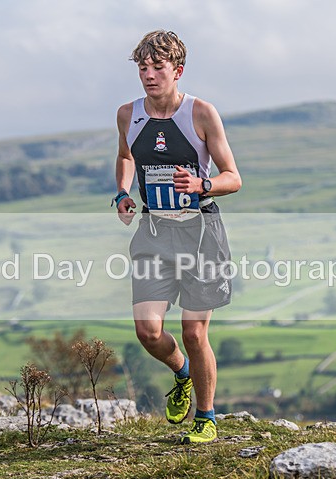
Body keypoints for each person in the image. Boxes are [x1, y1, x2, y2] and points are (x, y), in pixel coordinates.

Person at [113, 30, 242, 443]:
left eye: (158, 67)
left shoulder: (201, 113)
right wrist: (123, 193)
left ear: (178, 71)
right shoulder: (127, 114)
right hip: (154, 232)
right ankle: (182, 372)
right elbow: (125, 156)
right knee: (148, 331)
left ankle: (206, 418)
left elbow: (233, 177)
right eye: (143, 68)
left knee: (194, 333)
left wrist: (203, 185)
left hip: (200, 233)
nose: (149, 75)